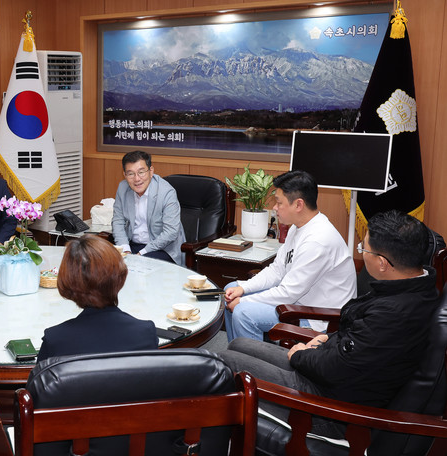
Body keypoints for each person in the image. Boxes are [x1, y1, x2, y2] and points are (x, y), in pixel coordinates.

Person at [219, 210, 440, 437]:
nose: (362, 253)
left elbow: (337, 368)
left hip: (327, 409)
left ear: (382, 263)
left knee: (222, 364)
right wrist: (325, 339)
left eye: (364, 249)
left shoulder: (393, 313)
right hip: (331, 376)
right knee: (238, 345)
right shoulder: (413, 287)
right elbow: (359, 339)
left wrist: (300, 356)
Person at [224, 170, 356, 342]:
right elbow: (277, 270)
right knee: (231, 289)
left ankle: (250, 358)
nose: (274, 207)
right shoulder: (297, 227)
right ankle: (235, 354)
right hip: (298, 302)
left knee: (243, 312)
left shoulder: (318, 240)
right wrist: (243, 288)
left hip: (319, 318)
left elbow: (288, 293)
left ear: (298, 205)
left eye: (279, 203)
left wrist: (243, 301)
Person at [36, 235, 158, 363]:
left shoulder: (55, 340)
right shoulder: (145, 332)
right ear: (121, 277)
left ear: (68, 280)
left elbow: (40, 375)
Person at [111, 150, 185, 264]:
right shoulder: (123, 188)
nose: (137, 179)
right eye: (131, 174)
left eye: (141, 172)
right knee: (104, 261)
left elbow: (170, 232)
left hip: (162, 249)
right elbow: (118, 221)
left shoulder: (166, 192)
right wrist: (125, 249)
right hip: (132, 245)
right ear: (124, 175)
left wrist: (141, 253)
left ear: (151, 171)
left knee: (139, 265)